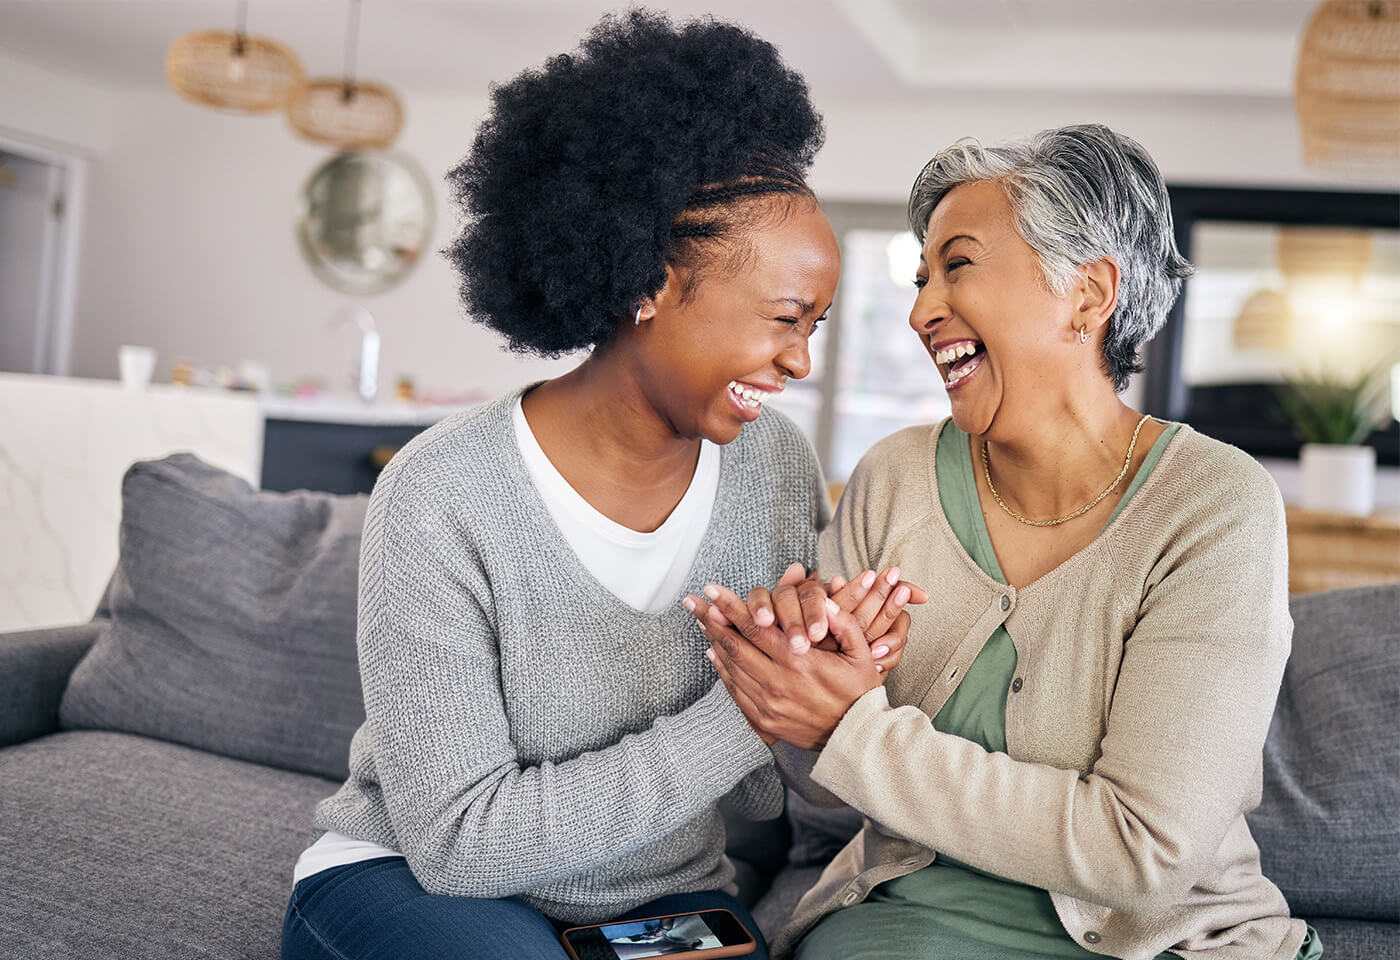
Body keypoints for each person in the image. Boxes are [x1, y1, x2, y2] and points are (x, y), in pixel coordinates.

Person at [280, 11, 921, 960]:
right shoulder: (439, 494)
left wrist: (825, 681)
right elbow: (461, 844)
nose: (799, 361)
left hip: (665, 901)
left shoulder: (775, 468)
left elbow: (762, 796)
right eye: (786, 319)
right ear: (650, 284)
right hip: (415, 882)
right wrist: (746, 704)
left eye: (816, 327)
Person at [692, 124, 1323, 960]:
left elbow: (1143, 853)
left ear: (1089, 294)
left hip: (1162, 942)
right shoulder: (896, 477)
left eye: (957, 265)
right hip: (902, 923)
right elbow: (819, 781)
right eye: (921, 278)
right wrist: (795, 664)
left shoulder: (1213, 506)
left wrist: (854, 724)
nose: (920, 311)